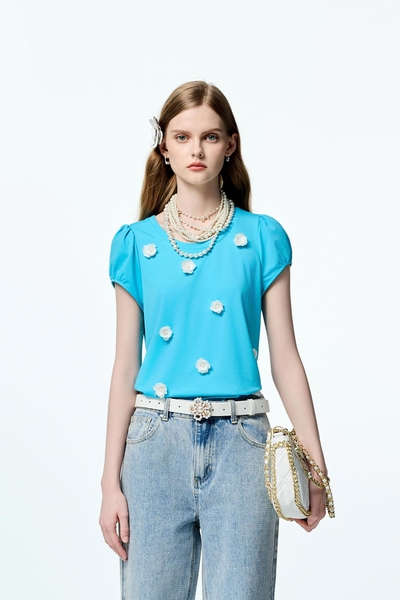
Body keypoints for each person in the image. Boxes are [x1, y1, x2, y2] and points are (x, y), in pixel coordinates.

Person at [99, 80, 329, 600]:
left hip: (243, 446)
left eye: (209, 136)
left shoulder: (263, 237)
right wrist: (109, 482)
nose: (196, 149)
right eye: (182, 137)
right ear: (164, 147)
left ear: (230, 144)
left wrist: (316, 466)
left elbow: (285, 358)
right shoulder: (134, 244)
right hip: (153, 446)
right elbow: (124, 367)